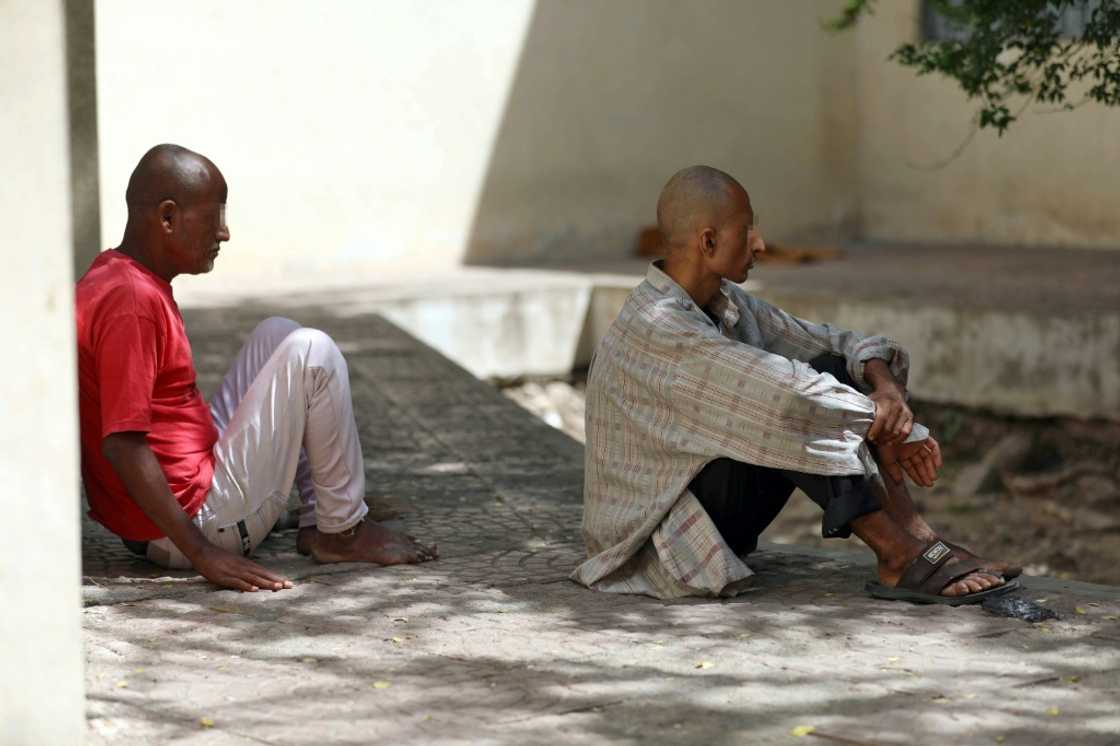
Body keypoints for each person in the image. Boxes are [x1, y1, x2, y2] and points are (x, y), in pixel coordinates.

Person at [572, 165, 1019, 604]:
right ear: (708, 241)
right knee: (785, 402)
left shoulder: (726, 303)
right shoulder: (659, 327)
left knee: (826, 370)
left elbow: (842, 346)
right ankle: (898, 554)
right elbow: (786, 396)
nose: (761, 244)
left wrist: (888, 394)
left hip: (715, 503)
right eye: (747, 230)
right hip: (661, 538)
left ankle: (919, 539)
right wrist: (904, 430)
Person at [76, 144, 437, 592]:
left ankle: (317, 514)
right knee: (312, 353)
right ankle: (342, 531)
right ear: (168, 218)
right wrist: (203, 553)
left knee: (277, 333)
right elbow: (122, 443)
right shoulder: (132, 303)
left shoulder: (113, 273)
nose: (224, 233)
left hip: (179, 504)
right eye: (214, 218)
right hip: (192, 523)